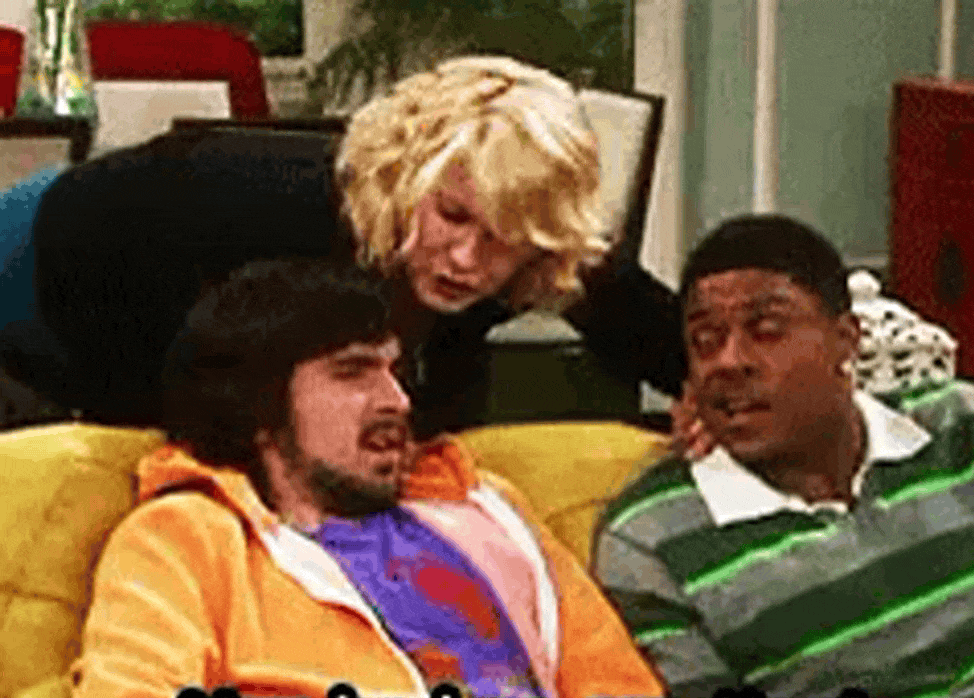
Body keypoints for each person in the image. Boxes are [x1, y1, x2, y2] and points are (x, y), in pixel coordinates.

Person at [71, 255, 731, 698]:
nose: (397, 400)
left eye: (396, 371)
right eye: (353, 373)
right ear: (258, 409)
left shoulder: (484, 510)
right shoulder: (188, 536)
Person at [11, 55, 680, 434]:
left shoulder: (540, 247)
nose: (466, 258)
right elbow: (173, 407)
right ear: (407, 180)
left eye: (504, 240)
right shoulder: (290, 226)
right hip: (47, 262)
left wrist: (711, 400)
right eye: (452, 216)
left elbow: (669, 336)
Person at [592, 214, 974, 698]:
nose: (729, 360)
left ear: (846, 339)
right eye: (705, 341)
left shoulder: (961, 427)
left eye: (766, 330)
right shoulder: (653, 535)